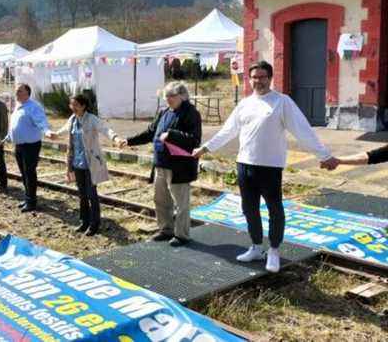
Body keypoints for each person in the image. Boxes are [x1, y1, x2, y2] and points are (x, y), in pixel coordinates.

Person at [193, 60, 337, 273]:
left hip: (270, 166)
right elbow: (228, 131)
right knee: (249, 209)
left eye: (262, 77)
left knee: (274, 209)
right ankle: (256, 246)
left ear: (270, 78)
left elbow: (302, 130)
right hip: (244, 164)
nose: (258, 81)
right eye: (254, 77)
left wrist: (324, 155)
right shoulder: (244, 104)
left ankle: (274, 250)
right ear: (249, 79)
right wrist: (204, 148)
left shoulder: (282, 101)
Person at [121, 82, 202, 246]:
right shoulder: (164, 112)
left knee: (181, 203)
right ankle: (166, 230)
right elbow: (150, 132)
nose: (168, 99)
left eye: (171, 96)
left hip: (179, 167)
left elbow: (194, 140)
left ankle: (182, 235)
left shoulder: (191, 113)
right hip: (161, 163)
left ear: (182, 96)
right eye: (166, 96)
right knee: (161, 200)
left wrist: (171, 135)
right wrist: (129, 141)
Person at [51, 94, 123, 236]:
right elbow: (63, 130)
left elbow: (105, 129)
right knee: (82, 194)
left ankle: (94, 224)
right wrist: (54, 134)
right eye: (71, 105)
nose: (73, 108)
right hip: (77, 163)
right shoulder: (72, 119)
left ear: (83, 106)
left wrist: (116, 138)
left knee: (91, 194)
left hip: (90, 163)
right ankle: (84, 221)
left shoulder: (92, 119)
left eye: (76, 105)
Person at [4, 83, 51, 213]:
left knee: (29, 173)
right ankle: (28, 197)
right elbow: (14, 125)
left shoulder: (34, 107)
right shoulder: (18, 106)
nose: (16, 93)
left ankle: (32, 202)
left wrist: (47, 131)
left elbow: (41, 122)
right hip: (19, 145)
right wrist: (8, 137)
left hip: (31, 145)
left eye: (19, 91)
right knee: (24, 173)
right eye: (16, 91)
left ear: (27, 93)